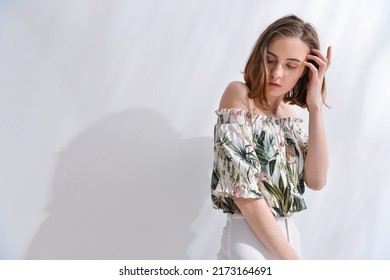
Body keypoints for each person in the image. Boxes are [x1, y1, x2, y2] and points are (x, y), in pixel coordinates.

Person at [210, 14, 331, 260]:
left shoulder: (291, 115)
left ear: (305, 72)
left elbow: (316, 180)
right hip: (248, 237)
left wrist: (315, 107)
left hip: (290, 236)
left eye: (290, 65)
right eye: (270, 60)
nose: (276, 73)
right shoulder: (239, 96)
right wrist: (293, 262)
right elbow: (245, 194)